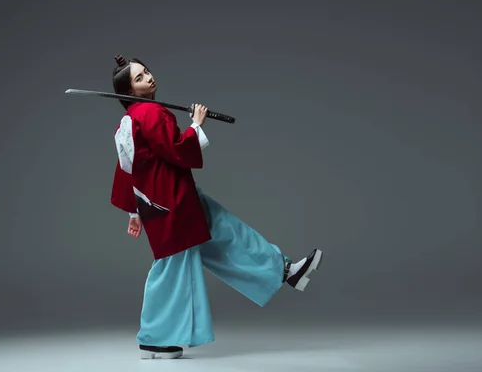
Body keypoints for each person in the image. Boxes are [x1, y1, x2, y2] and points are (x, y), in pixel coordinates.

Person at [109, 54, 323, 360]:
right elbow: (178, 149)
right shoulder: (151, 114)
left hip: (171, 199)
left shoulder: (130, 121)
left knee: (225, 232)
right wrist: (195, 125)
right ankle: (154, 338)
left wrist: (134, 211)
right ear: (129, 92)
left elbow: (127, 168)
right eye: (140, 78)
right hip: (170, 203)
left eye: (147, 71)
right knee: (173, 265)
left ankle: (285, 270)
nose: (149, 77)